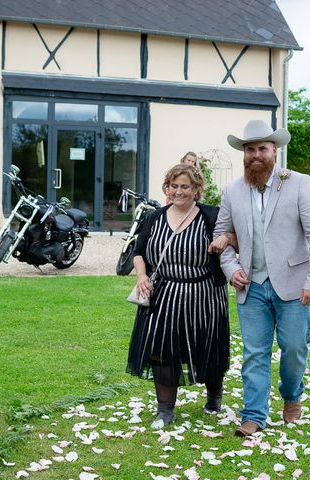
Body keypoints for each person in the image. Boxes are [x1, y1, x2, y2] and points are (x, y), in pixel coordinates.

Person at [214, 119, 310, 437]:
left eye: (262, 148)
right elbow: (221, 235)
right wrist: (231, 269)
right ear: (244, 153)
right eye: (249, 149)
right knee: (254, 353)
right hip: (250, 286)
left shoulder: (299, 183)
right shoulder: (233, 191)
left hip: (295, 286)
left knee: (294, 348)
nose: (255, 155)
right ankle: (253, 415)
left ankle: (291, 396)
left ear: (274, 151)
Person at [126, 163, 233, 428]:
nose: (179, 191)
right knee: (162, 350)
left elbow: (240, 238)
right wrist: (142, 276)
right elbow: (138, 252)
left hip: (205, 295)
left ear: (197, 190)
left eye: (185, 186)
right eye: (174, 186)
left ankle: (213, 398)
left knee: (209, 349)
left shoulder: (211, 216)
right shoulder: (154, 217)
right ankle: (165, 410)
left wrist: (227, 237)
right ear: (167, 188)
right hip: (164, 295)